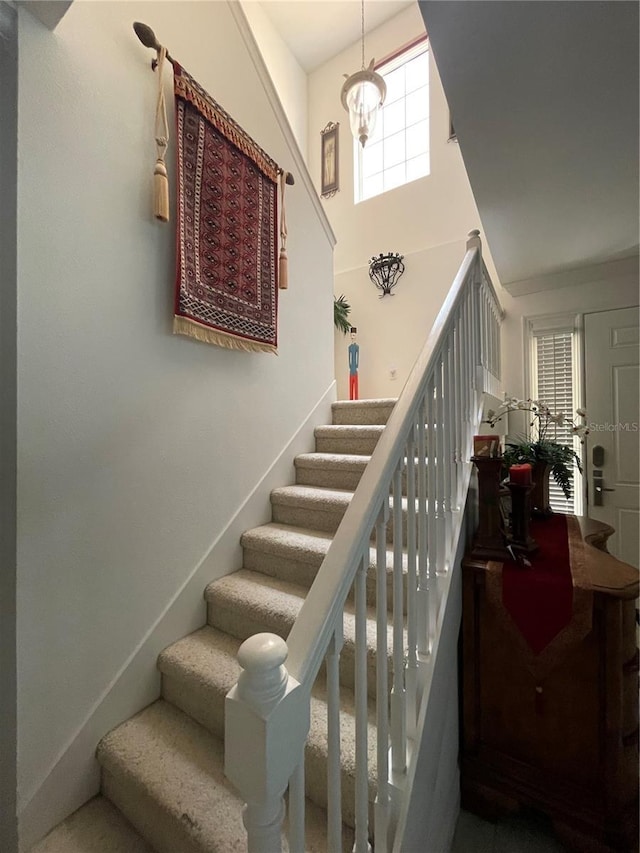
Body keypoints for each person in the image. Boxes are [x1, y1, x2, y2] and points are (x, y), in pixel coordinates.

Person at [348, 327, 359, 400]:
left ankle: (356, 399)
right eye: (352, 335)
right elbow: (349, 356)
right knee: (351, 385)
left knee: (356, 385)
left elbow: (358, 356)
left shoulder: (357, 347)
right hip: (351, 368)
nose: (353, 337)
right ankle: (351, 398)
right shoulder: (349, 347)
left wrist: (357, 365)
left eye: (354, 335)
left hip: (355, 368)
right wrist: (349, 365)